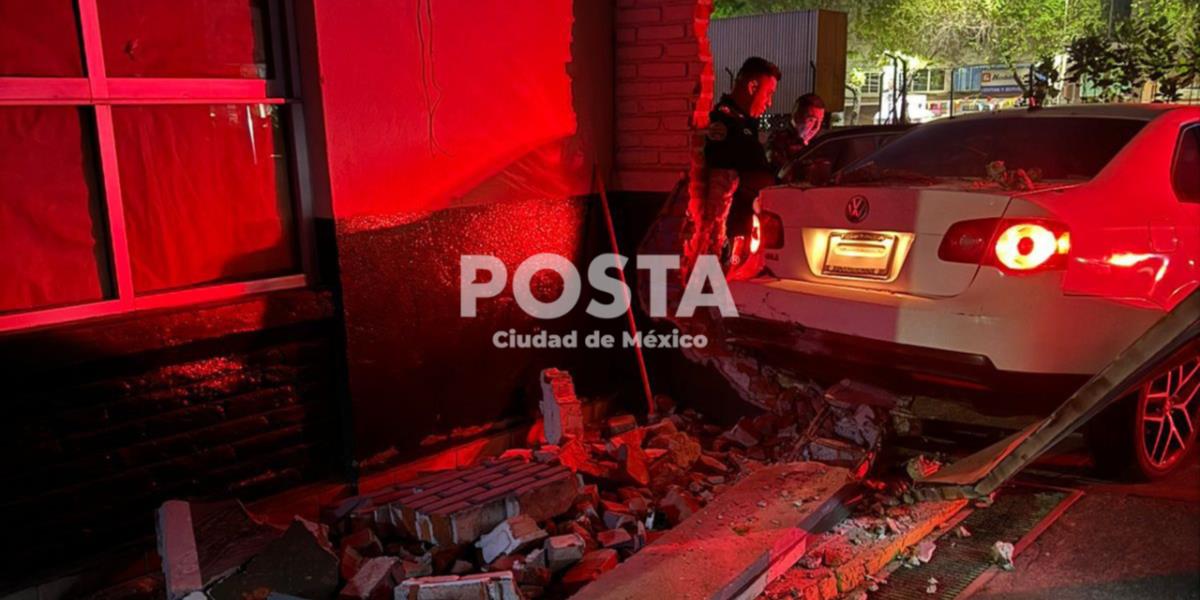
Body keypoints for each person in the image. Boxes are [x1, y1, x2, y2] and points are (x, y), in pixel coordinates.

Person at [700, 56, 781, 265]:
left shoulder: (744, 122)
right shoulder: (725, 123)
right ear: (752, 87)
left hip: (743, 228)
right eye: (769, 93)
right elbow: (724, 183)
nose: (769, 102)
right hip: (726, 232)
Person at [766, 93, 826, 175]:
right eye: (811, 120)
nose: (816, 127)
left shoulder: (818, 144)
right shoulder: (778, 142)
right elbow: (780, 174)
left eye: (820, 121)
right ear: (796, 117)